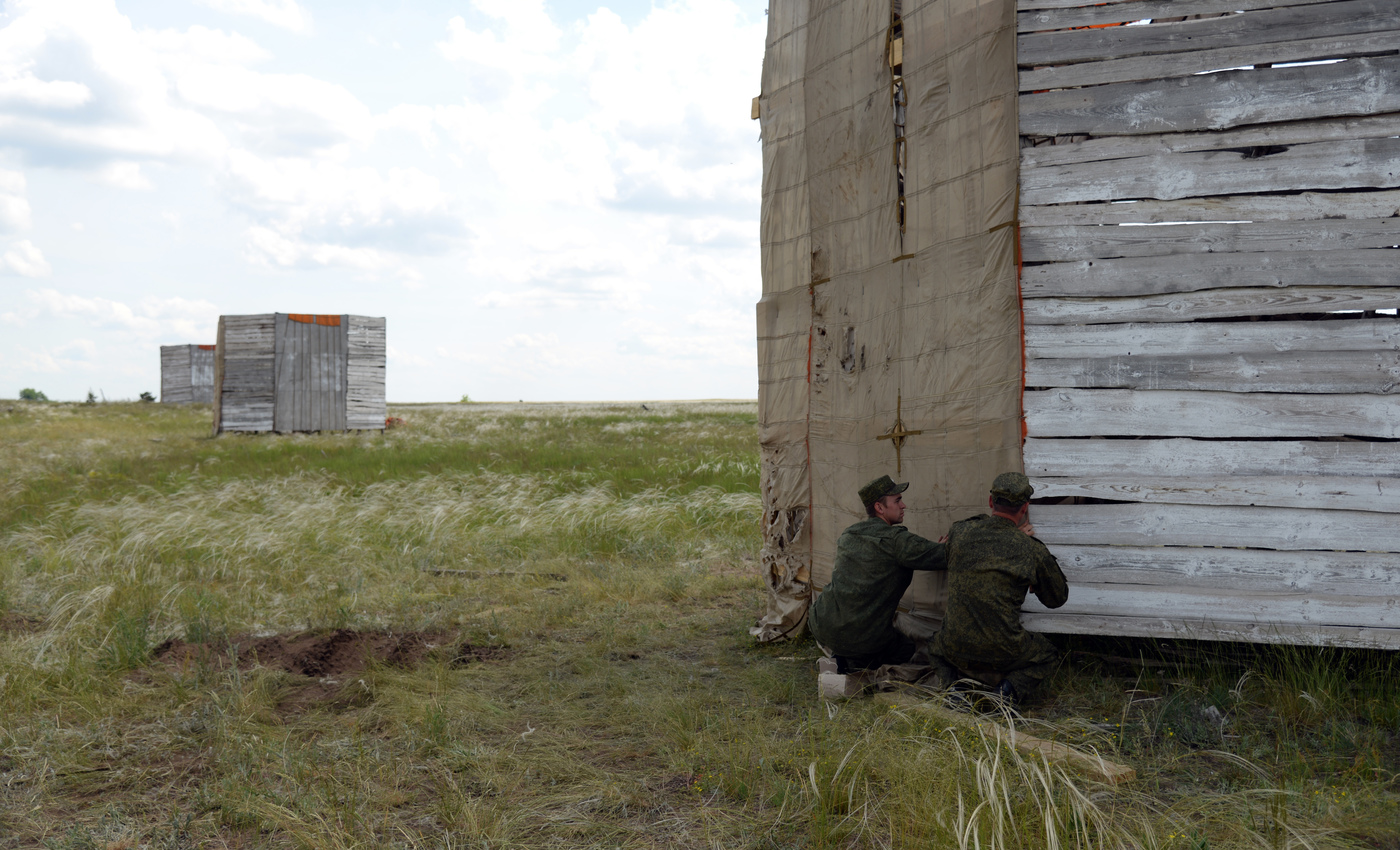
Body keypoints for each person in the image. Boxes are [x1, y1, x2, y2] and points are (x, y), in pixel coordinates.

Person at [928, 471, 1068, 704]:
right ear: (1025, 507)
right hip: (1004, 650)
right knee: (1047, 655)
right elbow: (1057, 598)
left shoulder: (959, 532)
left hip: (955, 646)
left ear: (991, 501)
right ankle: (1005, 693)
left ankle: (952, 689)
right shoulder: (1030, 549)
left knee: (934, 645)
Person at [808, 475, 946, 673]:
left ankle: (840, 659)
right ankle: (850, 669)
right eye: (897, 501)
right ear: (879, 508)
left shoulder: (849, 534)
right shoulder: (897, 541)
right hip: (860, 634)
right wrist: (939, 549)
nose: (904, 505)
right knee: (904, 648)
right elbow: (943, 556)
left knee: (861, 632)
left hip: (822, 622)